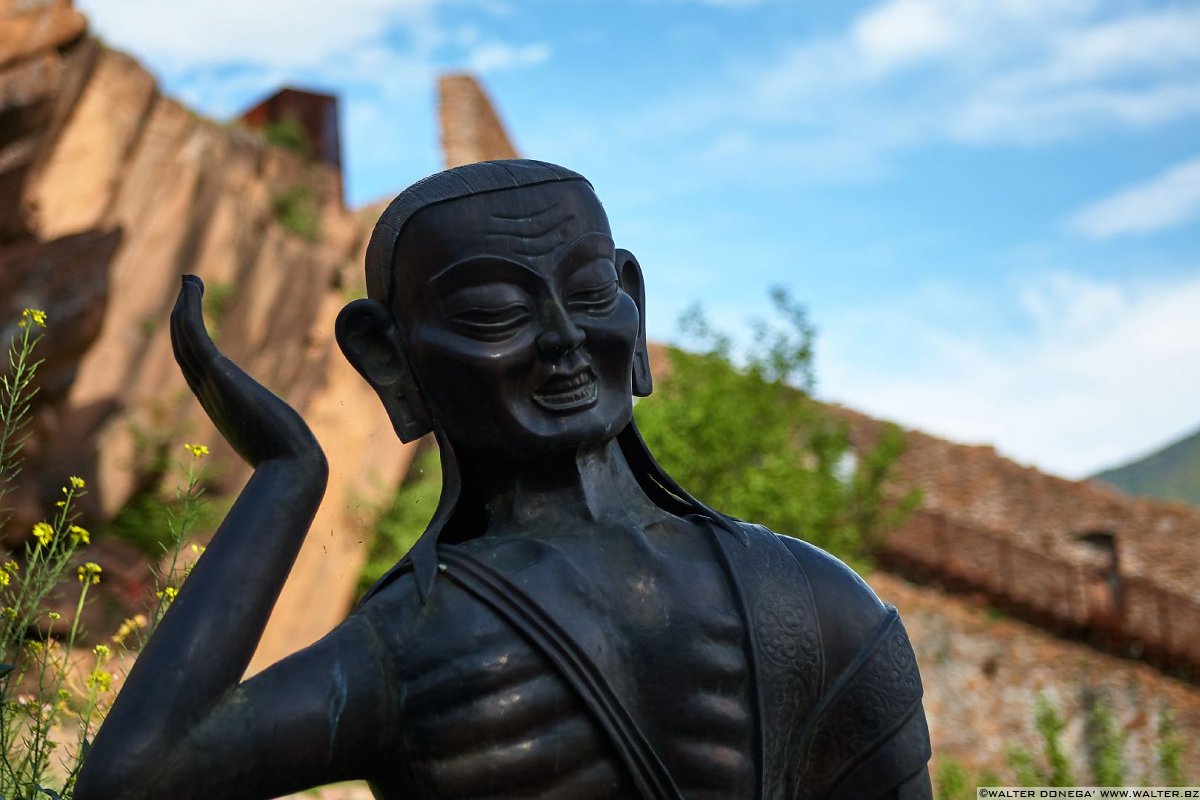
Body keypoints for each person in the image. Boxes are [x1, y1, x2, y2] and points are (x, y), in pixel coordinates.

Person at [76, 160, 931, 800]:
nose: (562, 338)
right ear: (390, 356)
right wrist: (290, 475)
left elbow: (135, 777)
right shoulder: (411, 647)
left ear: (635, 310)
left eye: (591, 293)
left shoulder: (815, 604)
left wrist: (282, 476)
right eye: (495, 313)